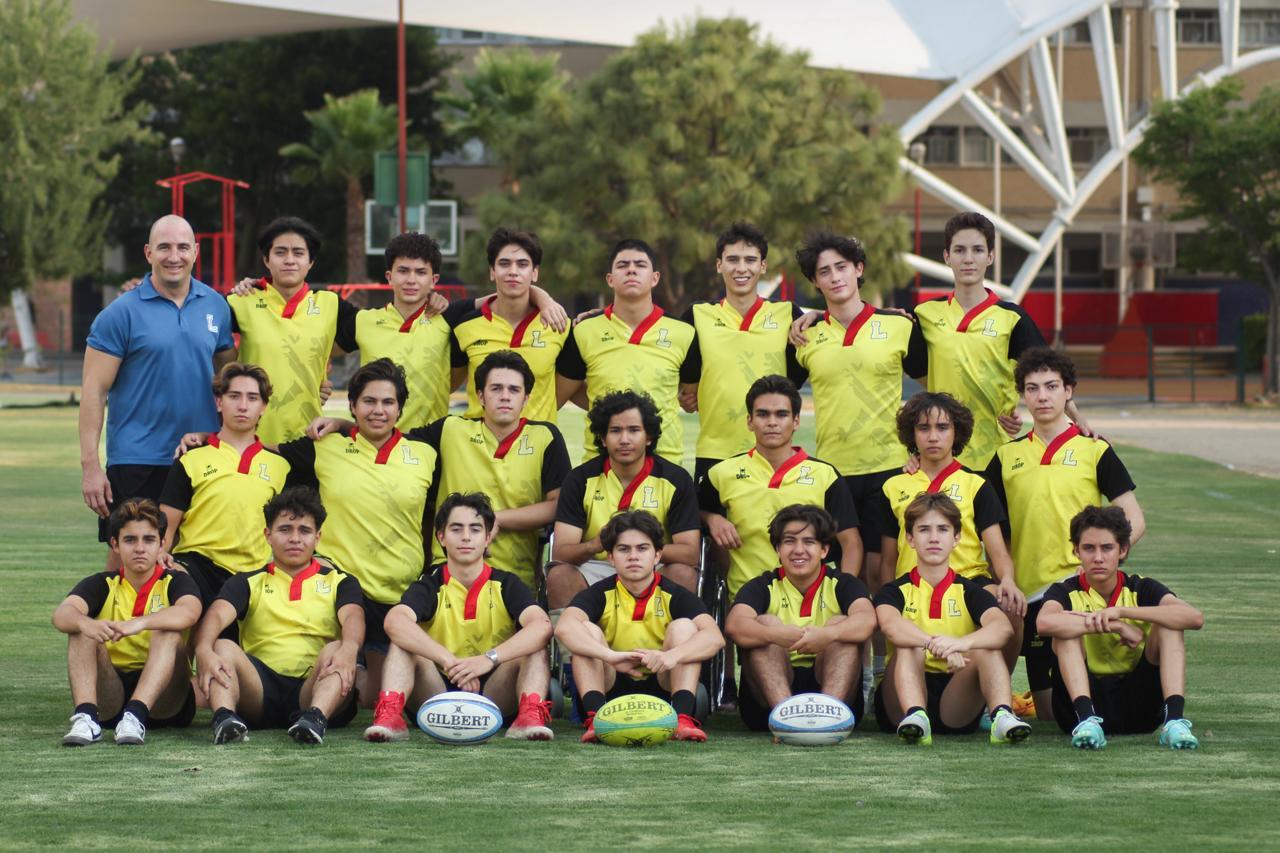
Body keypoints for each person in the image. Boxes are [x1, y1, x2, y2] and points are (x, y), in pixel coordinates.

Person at [984, 347, 1144, 719]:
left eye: (1051, 386)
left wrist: (1098, 563)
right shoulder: (1006, 457)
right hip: (1027, 595)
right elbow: (993, 531)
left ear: (1068, 392)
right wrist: (1004, 577)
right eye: (1032, 388)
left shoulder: (1095, 449)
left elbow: (1135, 519)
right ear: (1023, 396)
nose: (1042, 396)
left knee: (1090, 702)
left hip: (1079, 591)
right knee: (1050, 714)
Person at [80, 214, 235, 568]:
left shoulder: (216, 306)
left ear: (196, 251)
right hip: (137, 458)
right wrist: (90, 466)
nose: (174, 256)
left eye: (182, 247)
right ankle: (109, 608)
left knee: (192, 557)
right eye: (164, 247)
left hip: (200, 455)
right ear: (149, 253)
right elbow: (93, 392)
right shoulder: (120, 314)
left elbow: (230, 378)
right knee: (129, 557)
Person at [792, 232, 927, 587]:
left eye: (842, 267)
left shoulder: (899, 326)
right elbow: (779, 399)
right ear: (814, 281)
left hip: (890, 468)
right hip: (833, 471)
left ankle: (888, 629)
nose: (835, 277)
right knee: (843, 575)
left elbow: (935, 390)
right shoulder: (804, 336)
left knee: (884, 574)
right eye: (824, 271)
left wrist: (920, 449)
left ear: (859, 269)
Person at [365, 492, 556, 742]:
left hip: (494, 692)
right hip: (435, 692)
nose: (466, 536)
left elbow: (542, 626)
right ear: (441, 537)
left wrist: (488, 660)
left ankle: (529, 718)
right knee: (403, 642)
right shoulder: (429, 585)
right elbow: (395, 621)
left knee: (534, 646)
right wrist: (449, 661)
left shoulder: (507, 583)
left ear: (488, 538)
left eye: (475, 529)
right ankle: (390, 718)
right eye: (456, 529)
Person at [195, 487, 365, 745]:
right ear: (268, 535)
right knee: (220, 646)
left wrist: (350, 648)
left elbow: (353, 616)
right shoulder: (247, 581)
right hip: (259, 690)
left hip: (314, 685)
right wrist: (203, 649)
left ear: (318, 537)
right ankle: (224, 718)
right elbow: (217, 615)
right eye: (285, 529)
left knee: (338, 648)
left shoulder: (340, 581)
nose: (295, 538)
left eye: (304, 531)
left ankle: (315, 719)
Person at [1037, 506, 1203, 750]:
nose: (1098, 558)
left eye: (1107, 548)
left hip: (1139, 708)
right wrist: (1115, 626)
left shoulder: (1141, 587)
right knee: (1065, 633)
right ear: (1076, 550)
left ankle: (1174, 721)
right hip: (1075, 711)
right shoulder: (1064, 590)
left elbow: (1194, 618)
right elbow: (1044, 623)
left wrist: (1122, 612)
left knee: (1170, 624)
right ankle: (1087, 720)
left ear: (1123, 550)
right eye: (1089, 548)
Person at [877, 392, 1022, 669]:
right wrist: (889, 594)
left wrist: (1007, 580)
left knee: (1010, 606)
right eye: (924, 428)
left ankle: (997, 687)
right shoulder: (893, 486)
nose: (933, 437)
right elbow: (887, 559)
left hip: (970, 580)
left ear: (957, 432)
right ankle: (887, 675)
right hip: (914, 583)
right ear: (912, 434)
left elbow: (998, 552)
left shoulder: (977, 484)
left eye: (942, 427)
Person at [873, 493, 1032, 745]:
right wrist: (934, 644)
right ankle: (916, 716)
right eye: (924, 530)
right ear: (910, 539)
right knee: (908, 645)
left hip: (956, 697)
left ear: (956, 538)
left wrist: (961, 644)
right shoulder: (894, 591)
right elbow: (890, 626)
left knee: (987, 648)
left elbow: (1003, 628)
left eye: (943, 529)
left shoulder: (971, 591)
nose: (934, 538)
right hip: (899, 702)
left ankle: (1002, 716)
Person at [555, 510, 724, 743]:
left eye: (642, 548)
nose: (633, 556)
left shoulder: (674, 594)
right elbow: (564, 628)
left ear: (657, 556)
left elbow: (715, 637)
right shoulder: (600, 593)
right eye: (624, 549)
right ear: (611, 557)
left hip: (663, 685)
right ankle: (595, 721)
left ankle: (683, 720)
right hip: (611, 689)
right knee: (586, 631)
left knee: (684, 628)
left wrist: (671, 656)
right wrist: (610, 656)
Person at [416, 351, 570, 588]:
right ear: (481, 396)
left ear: (526, 398)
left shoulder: (545, 437)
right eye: (496, 389)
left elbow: (559, 505)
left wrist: (496, 519)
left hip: (515, 576)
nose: (505, 396)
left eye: (514, 390)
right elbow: (393, 443)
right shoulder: (450, 430)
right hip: (449, 572)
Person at [54, 499, 201, 746]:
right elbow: (62, 614)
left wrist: (139, 623)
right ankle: (86, 718)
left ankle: (135, 716)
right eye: (130, 540)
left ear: (162, 545)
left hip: (166, 701)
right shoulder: (103, 583)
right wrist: (85, 624)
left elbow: (189, 612)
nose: (140, 548)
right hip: (111, 695)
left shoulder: (176, 581)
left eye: (149, 540)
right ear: (115, 545)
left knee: (167, 631)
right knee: (80, 629)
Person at [701, 375, 862, 597]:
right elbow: (692, 513)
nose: (772, 422)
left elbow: (851, 543)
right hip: (746, 600)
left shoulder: (825, 475)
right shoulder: (721, 473)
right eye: (762, 414)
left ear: (796, 421)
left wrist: (844, 593)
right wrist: (711, 519)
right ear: (749, 421)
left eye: (782, 414)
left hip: (812, 600)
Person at [544, 390, 701, 612]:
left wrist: (640, 549)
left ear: (649, 437)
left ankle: (676, 635)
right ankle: (570, 635)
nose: (624, 440)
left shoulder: (676, 479)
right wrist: (596, 545)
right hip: (598, 565)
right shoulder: (580, 479)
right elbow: (561, 552)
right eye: (615, 431)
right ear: (602, 438)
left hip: (654, 564)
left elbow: (690, 553)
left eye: (634, 430)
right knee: (560, 575)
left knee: (682, 572)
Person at [725, 505, 876, 733]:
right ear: (778, 549)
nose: (798, 550)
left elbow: (867, 620)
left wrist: (828, 635)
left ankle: (828, 722)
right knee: (765, 624)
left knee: (840, 624)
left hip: (833, 692)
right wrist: (774, 635)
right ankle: (785, 722)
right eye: (789, 541)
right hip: (767, 705)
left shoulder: (844, 583)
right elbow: (735, 625)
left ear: (824, 550)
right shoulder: (761, 585)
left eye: (808, 542)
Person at [680, 223, 805, 482]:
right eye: (732, 259)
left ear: (763, 266)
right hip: (714, 452)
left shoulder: (787, 314)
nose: (741, 268)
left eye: (750, 260)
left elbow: (808, 365)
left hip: (773, 454)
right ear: (719, 265)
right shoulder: (697, 315)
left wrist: (815, 316)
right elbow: (673, 365)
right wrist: (685, 392)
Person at [160, 362, 291, 606]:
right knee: (182, 614)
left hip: (251, 574)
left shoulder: (281, 466)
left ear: (263, 407)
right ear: (219, 402)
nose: (243, 406)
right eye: (234, 396)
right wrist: (160, 557)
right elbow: (165, 528)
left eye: (252, 398)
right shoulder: (191, 458)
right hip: (194, 565)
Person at [556, 239, 696, 463]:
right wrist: (605, 405)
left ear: (655, 278)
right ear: (610, 279)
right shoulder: (584, 331)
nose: (631, 269)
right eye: (622, 265)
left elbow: (690, 397)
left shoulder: (684, 333)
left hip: (665, 462)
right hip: (600, 463)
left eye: (640, 265)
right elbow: (560, 394)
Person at [226, 217, 352, 444]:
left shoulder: (331, 305)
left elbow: (375, 330)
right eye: (280, 252)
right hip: (251, 439)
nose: (290, 260)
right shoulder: (241, 300)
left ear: (311, 261)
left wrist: (314, 367)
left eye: (298, 253)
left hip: (308, 439)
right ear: (266, 259)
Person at [451, 228, 571, 423]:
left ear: (534, 273)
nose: (513, 272)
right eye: (504, 263)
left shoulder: (559, 326)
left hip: (538, 440)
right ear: (492, 271)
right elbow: (450, 384)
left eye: (522, 264)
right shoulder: (465, 326)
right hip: (477, 440)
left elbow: (566, 389)